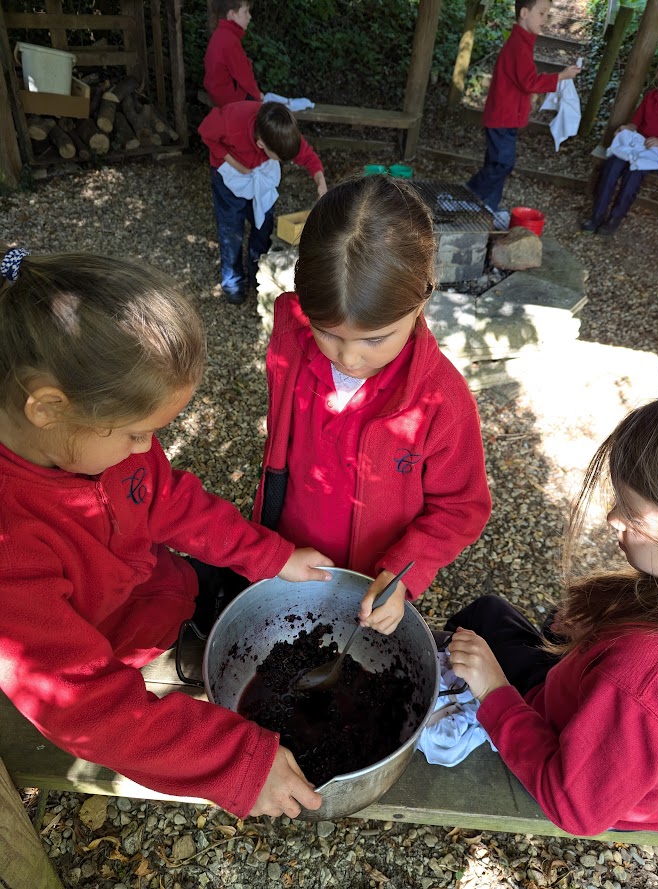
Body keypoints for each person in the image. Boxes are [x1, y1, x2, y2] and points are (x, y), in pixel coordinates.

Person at [0, 246, 336, 820]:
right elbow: (82, 703)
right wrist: (236, 762)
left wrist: (272, 557)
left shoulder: (94, 443)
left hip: (159, 586)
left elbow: (168, 498)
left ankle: (195, 632)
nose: (146, 450)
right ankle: (180, 664)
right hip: (115, 647)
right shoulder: (12, 542)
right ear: (48, 408)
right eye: (136, 434)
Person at [252, 176, 492, 636]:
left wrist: (404, 571)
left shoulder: (441, 401)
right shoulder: (290, 341)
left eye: (375, 339)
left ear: (424, 297)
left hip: (372, 581)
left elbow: (461, 506)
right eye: (328, 332)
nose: (349, 357)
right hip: (291, 557)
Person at [448, 394, 658, 836]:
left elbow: (575, 809)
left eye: (629, 509)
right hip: (613, 735)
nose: (611, 519)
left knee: (484, 616)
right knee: (541, 619)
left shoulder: (637, 677)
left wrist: (494, 691)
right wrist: (599, 626)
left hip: (566, 751)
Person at [199, 100, 327, 305]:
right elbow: (206, 133)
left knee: (263, 225)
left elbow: (308, 157)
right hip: (230, 174)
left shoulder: (280, 130)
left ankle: (259, 271)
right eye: (279, 157)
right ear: (261, 145)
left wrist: (321, 184)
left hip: (259, 174)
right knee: (231, 230)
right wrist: (235, 163)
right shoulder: (231, 122)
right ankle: (233, 282)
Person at [467, 0, 581, 211]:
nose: (545, 20)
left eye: (547, 15)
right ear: (524, 13)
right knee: (503, 164)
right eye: (542, 13)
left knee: (495, 164)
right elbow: (530, 82)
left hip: (505, 117)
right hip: (502, 118)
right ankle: (468, 198)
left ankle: (488, 207)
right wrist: (561, 76)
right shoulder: (519, 46)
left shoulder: (523, 43)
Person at [581, 51, 658, 236]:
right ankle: (596, 215)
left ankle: (614, 219)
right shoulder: (650, 97)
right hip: (638, 143)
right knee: (611, 166)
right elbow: (635, 123)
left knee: (633, 174)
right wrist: (626, 128)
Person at [203, 0, 262, 109]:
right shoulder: (229, 40)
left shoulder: (220, 33)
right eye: (245, 12)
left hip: (216, 92)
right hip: (228, 98)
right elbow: (244, 75)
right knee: (264, 110)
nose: (249, 17)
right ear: (231, 15)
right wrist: (258, 95)